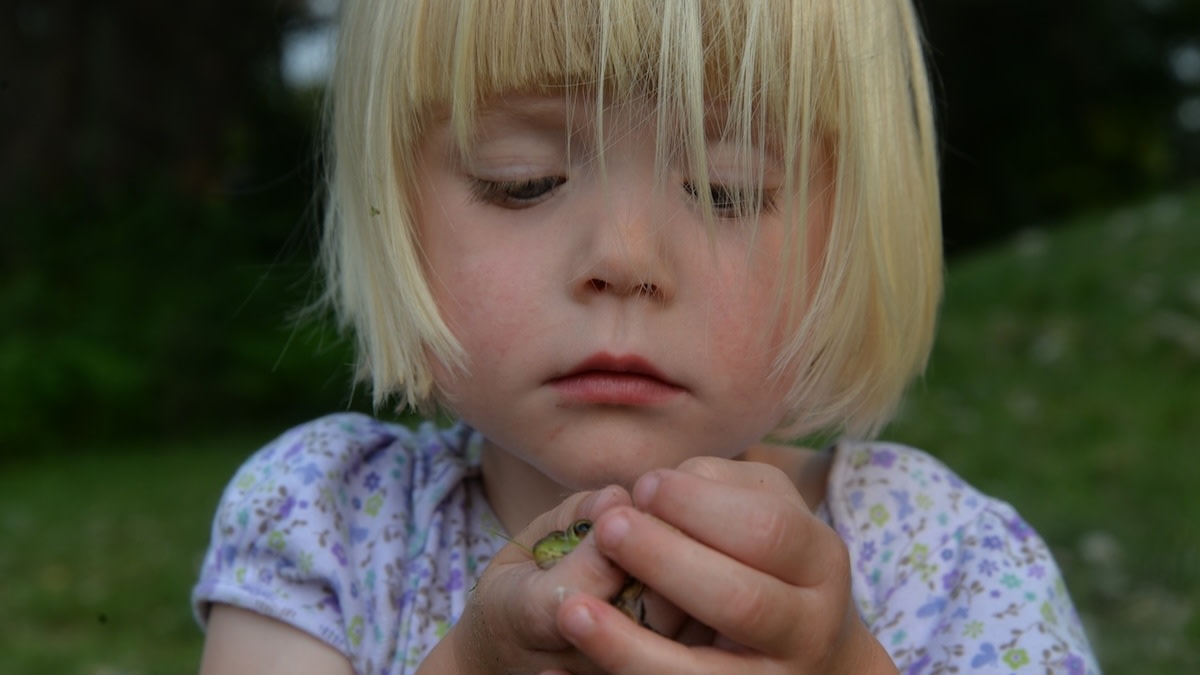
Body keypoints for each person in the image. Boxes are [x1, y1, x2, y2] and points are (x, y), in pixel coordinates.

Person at [193, 1, 1100, 673]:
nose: (624, 258)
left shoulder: (946, 559)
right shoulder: (327, 522)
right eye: (524, 179)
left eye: (726, 188)